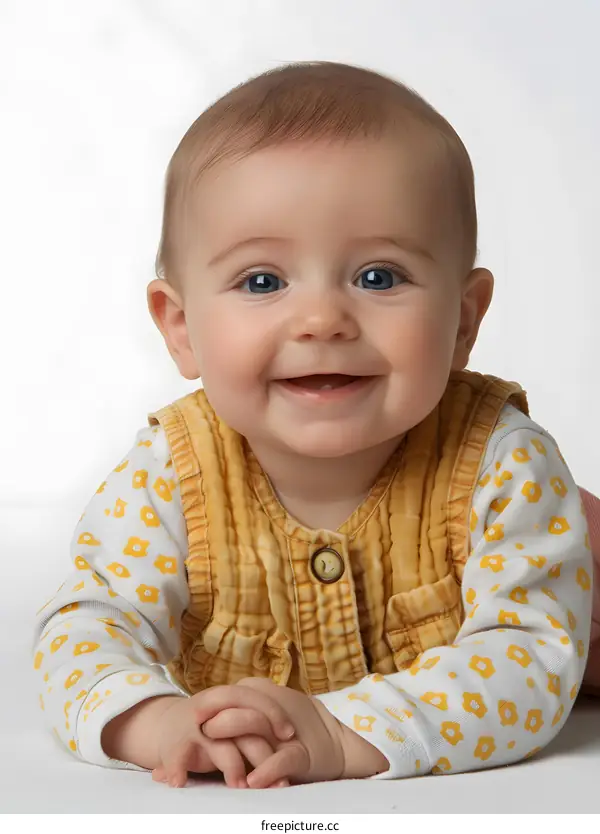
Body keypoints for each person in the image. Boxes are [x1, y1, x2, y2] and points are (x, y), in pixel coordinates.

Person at [33, 60, 595, 790]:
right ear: (181, 327)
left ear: (463, 321)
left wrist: (338, 734)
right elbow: (84, 629)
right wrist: (156, 722)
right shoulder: (171, 470)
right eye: (262, 281)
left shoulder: (504, 463)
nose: (323, 320)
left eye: (378, 277)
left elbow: (530, 663)